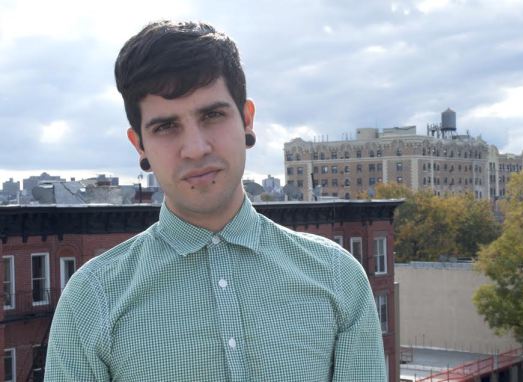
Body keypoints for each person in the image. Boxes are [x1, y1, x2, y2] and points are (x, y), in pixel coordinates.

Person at [44, 20, 386, 381]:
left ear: (247, 119)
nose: (195, 148)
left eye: (212, 115)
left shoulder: (337, 278)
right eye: (165, 127)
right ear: (139, 145)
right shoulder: (92, 299)